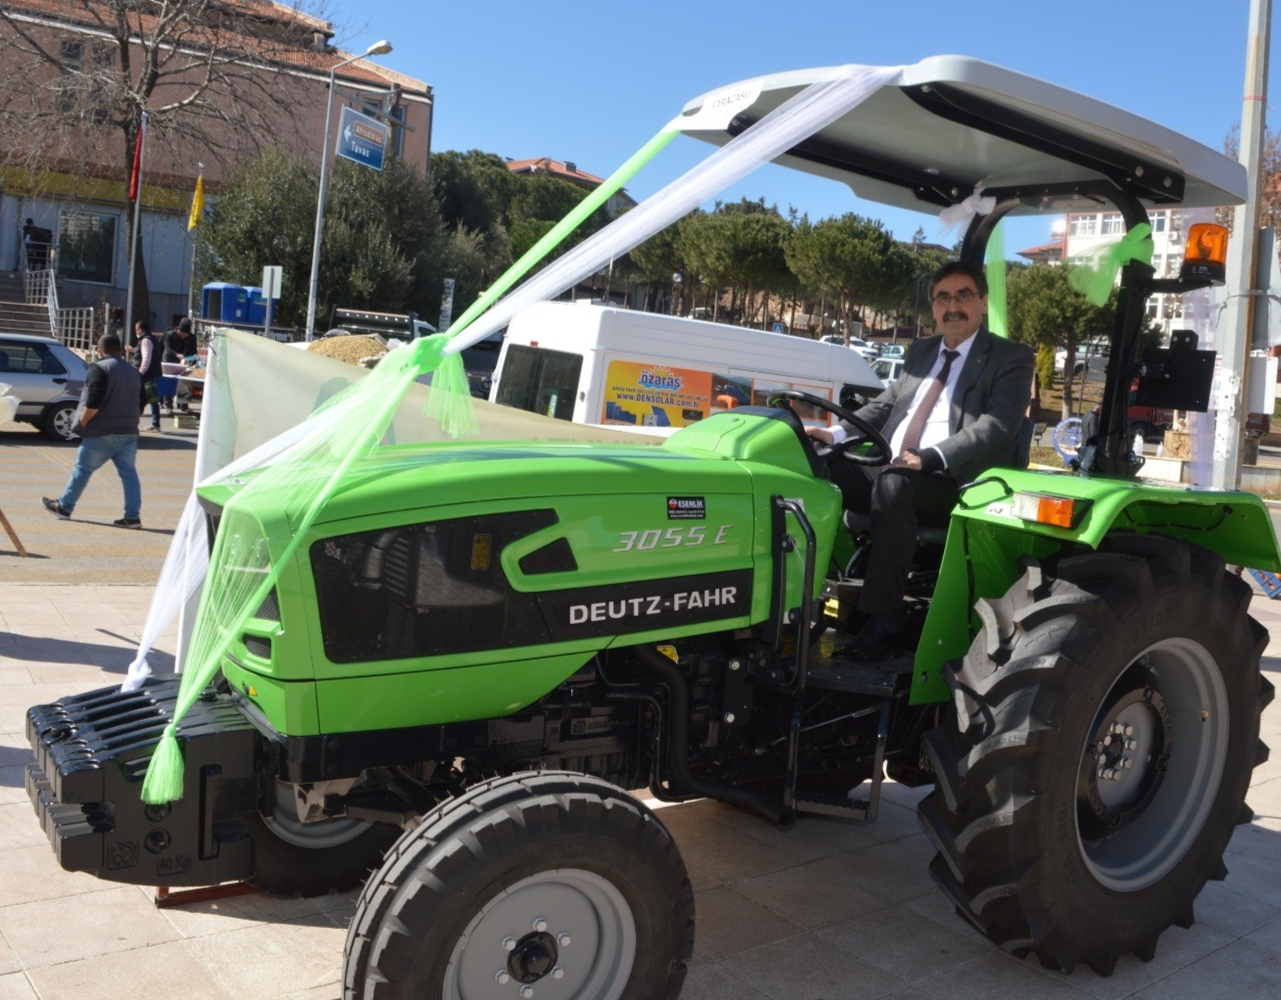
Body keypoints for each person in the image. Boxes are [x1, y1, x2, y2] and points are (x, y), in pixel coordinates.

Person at [807, 260, 1035, 662]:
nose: (953, 306)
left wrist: (929, 458)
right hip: (897, 467)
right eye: (943, 297)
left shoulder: (1010, 357)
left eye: (963, 295)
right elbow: (885, 406)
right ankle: (804, 596)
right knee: (816, 464)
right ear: (933, 308)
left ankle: (884, 623)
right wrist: (835, 434)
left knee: (893, 485)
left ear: (983, 301)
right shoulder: (921, 352)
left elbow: (998, 425)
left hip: (957, 483)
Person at [41, 333, 144, 528]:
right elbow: (143, 401)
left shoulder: (99, 369)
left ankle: (64, 507)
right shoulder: (134, 371)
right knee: (129, 474)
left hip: (102, 431)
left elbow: (93, 401)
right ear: (121, 351)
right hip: (129, 431)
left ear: (99, 351)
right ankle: (132, 517)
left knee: (82, 469)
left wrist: (83, 422)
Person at [161, 318, 198, 411]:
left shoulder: (189, 337)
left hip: (182, 361)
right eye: (184, 334)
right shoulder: (169, 334)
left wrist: (191, 360)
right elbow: (167, 348)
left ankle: (183, 404)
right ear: (179, 331)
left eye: (187, 335)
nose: (185, 336)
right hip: (169, 360)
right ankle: (168, 405)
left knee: (183, 382)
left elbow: (192, 351)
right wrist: (177, 354)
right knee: (168, 381)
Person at [134, 320, 162, 430]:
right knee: (152, 399)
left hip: (147, 374)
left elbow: (146, 358)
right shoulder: (152, 338)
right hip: (153, 372)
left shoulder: (145, 340)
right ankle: (155, 423)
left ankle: (154, 423)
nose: (136, 332)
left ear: (141, 329)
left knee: (145, 398)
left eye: (137, 329)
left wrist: (141, 372)